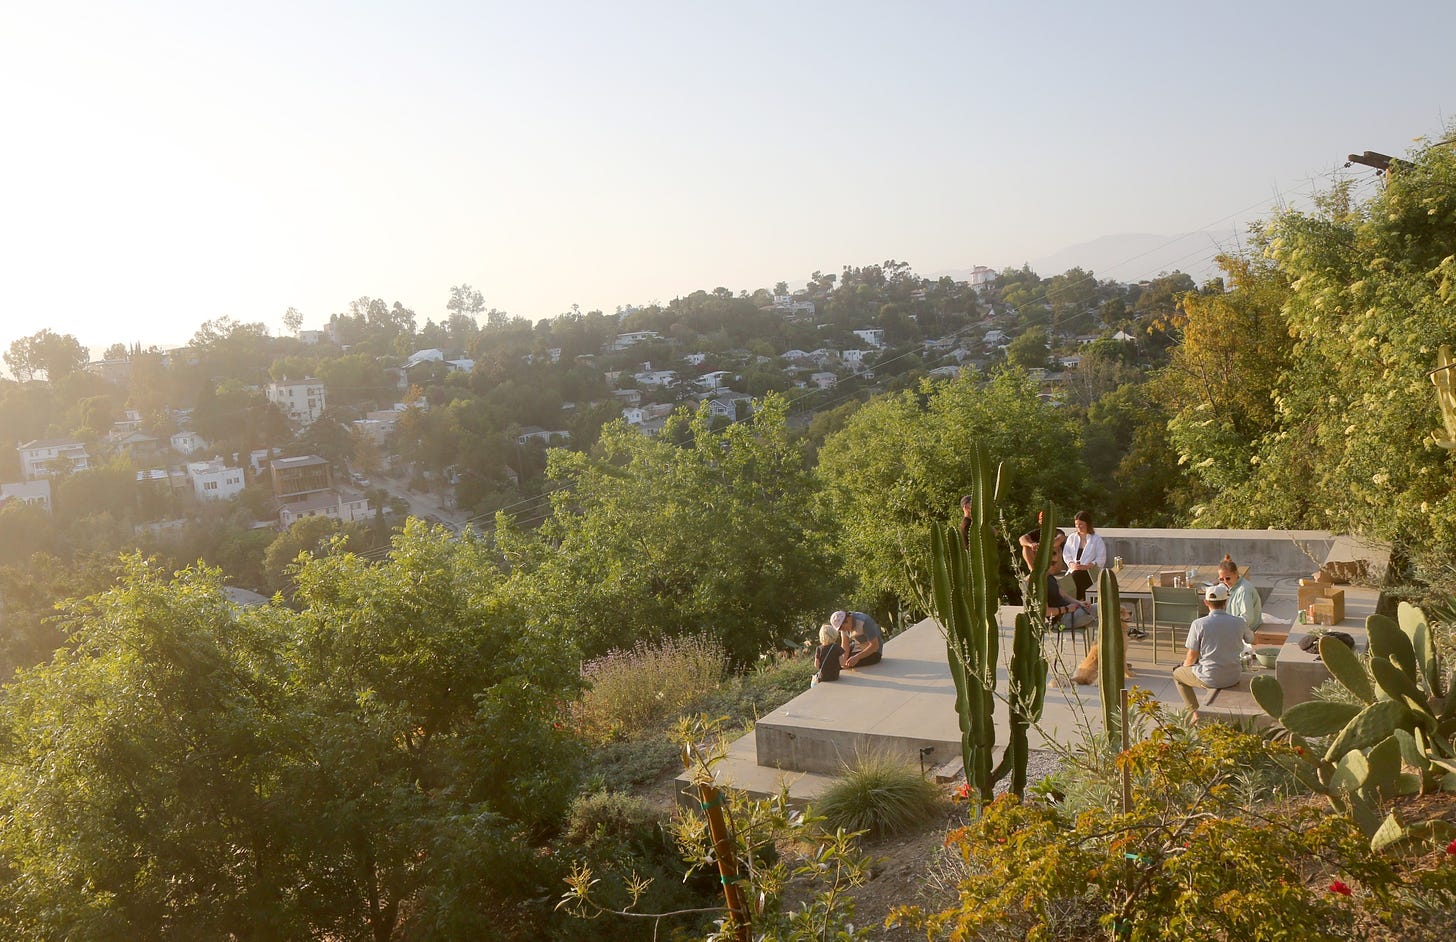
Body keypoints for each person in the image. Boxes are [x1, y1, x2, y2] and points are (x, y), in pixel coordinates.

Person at [1173, 582, 1246, 717]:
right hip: (1233, 676)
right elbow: (1251, 639)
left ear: (1206, 602)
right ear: (1226, 601)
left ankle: (1195, 713)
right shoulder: (1239, 621)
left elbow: (1192, 656)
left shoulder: (1199, 624)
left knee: (1177, 674)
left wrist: (1185, 667)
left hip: (1211, 677)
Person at [1062, 510, 1107, 601]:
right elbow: (1066, 554)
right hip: (1074, 570)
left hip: (1090, 572)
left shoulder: (1096, 539)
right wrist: (1071, 564)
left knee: (1077, 577)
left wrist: (1089, 565)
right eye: (1076, 524)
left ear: (1087, 524)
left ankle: (1076, 602)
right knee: (1069, 579)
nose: (1078, 527)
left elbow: (1101, 558)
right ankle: (1077, 601)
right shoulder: (1072, 537)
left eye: (1081, 524)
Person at [1045, 559, 1097, 639]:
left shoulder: (1050, 577)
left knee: (1100, 619)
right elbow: (1046, 612)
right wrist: (1066, 609)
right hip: (1060, 621)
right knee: (1103, 606)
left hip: (1071, 611)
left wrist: (1079, 603)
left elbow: (1064, 595)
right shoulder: (1040, 584)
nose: (1057, 567)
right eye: (1054, 564)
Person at [1219, 554, 1261, 643]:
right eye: (1222, 579)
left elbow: (1247, 619)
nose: (1225, 582)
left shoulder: (1244, 590)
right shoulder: (1228, 586)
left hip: (1246, 632)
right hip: (1234, 627)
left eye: (1228, 578)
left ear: (1236, 574)